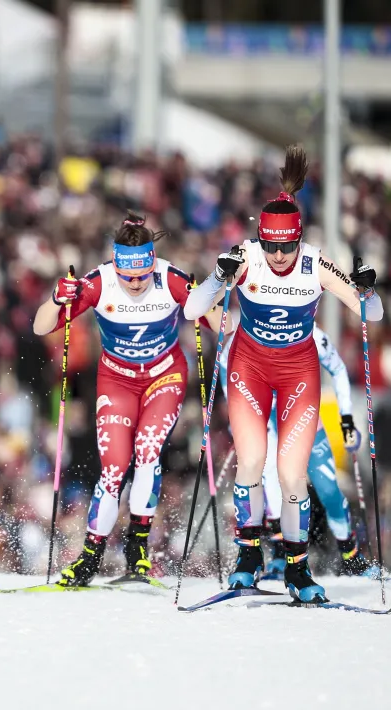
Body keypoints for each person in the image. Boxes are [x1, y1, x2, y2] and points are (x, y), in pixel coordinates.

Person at [184, 145, 383, 603]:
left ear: (298, 239)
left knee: (293, 476)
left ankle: (297, 568)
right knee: (252, 463)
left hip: (298, 373)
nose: (277, 254)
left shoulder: (315, 262)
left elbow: (370, 314)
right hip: (249, 369)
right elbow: (195, 308)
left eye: (285, 246)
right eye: (270, 245)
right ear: (260, 238)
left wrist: (368, 290)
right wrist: (217, 278)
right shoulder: (246, 254)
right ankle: (248, 558)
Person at [33, 212, 220, 588]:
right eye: (127, 276)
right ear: (116, 266)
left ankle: (137, 547)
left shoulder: (170, 279)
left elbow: (220, 324)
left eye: (141, 276)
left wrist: (211, 295)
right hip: (117, 380)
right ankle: (90, 555)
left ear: (152, 264)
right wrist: (56, 299)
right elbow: (40, 326)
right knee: (114, 469)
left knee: (148, 452)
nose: (135, 284)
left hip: (164, 376)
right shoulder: (99, 282)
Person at [219, 325, 379, 579]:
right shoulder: (248, 331)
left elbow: (337, 369)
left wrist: (346, 418)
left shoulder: (308, 331)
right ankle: (281, 556)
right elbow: (226, 368)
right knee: (270, 473)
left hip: (303, 416)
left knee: (328, 489)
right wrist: (236, 415)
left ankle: (351, 557)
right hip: (267, 417)